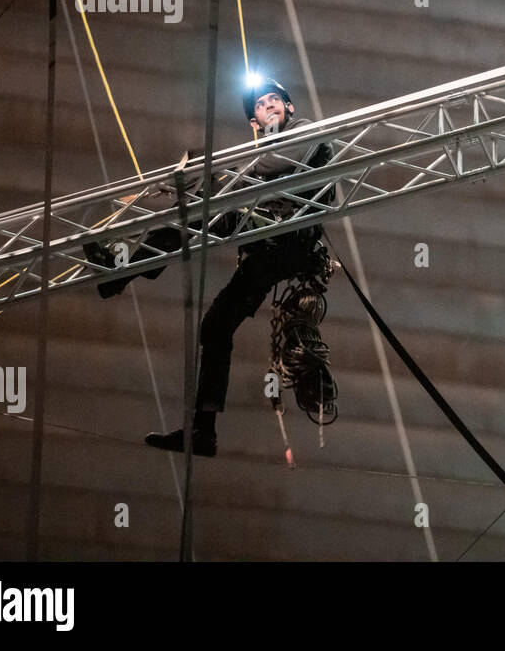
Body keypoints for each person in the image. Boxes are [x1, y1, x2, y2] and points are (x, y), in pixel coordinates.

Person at [84, 77, 334, 457]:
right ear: (254, 122)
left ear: (290, 108)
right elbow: (260, 168)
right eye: (262, 105)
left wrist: (214, 166)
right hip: (266, 246)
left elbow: (280, 160)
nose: (270, 106)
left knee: (203, 202)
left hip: (288, 240)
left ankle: (124, 270)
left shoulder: (304, 132)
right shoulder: (262, 154)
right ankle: (204, 431)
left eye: (275, 100)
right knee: (216, 325)